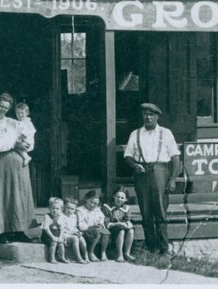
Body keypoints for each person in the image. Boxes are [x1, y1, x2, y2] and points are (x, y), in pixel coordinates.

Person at [122, 102, 181, 255]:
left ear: (157, 117)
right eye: (145, 114)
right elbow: (128, 156)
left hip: (160, 172)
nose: (148, 117)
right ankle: (151, 247)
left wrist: (173, 179)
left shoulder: (166, 133)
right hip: (142, 173)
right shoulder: (135, 134)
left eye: (151, 114)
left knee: (160, 211)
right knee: (146, 211)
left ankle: (164, 247)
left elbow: (175, 158)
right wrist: (135, 166)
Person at [0, 92, 35, 242]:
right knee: (2, 195)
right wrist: (13, 143)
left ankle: (19, 230)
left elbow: (27, 137)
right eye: (1, 106)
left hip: (19, 164)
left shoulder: (13, 122)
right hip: (1, 164)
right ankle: (0, 232)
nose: (3, 110)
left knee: (19, 196)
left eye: (6, 107)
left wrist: (24, 144)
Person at [103, 185, 135, 262]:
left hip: (121, 228)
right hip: (110, 229)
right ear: (113, 196)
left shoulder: (126, 208)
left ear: (126, 199)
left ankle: (127, 253)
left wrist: (126, 224)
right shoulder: (107, 207)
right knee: (121, 230)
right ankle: (119, 254)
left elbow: (127, 220)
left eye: (122, 198)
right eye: (117, 197)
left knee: (131, 230)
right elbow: (106, 223)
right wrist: (117, 224)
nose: (119, 199)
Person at [77, 189, 110, 261]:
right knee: (97, 231)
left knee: (106, 232)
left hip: (96, 230)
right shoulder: (80, 210)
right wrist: (91, 226)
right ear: (86, 199)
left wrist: (100, 224)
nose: (92, 205)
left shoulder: (97, 210)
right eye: (91, 202)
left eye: (95, 204)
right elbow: (81, 225)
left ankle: (103, 252)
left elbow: (101, 219)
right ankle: (91, 252)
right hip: (85, 232)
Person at [40, 197, 68, 263]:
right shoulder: (47, 216)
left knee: (61, 243)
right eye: (53, 208)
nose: (55, 210)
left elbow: (62, 228)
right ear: (49, 208)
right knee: (54, 243)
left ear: (61, 209)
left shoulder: (61, 217)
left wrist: (60, 237)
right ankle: (52, 258)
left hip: (57, 235)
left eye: (57, 208)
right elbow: (46, 228)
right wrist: (52, 237)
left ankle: (62, 257)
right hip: (47, 236)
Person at [62, 196, 88, 263]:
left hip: (71, 233)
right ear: (64, 207)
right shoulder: (61, 216)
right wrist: (72, 233)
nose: (70, 210)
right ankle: (78, 258)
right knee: (75, 238)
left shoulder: (74, 216)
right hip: (64, 235)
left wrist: (77, 232)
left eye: (72, 209)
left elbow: (74, 227)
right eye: (68, 208)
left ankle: (86, 256)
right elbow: (62, 229)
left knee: (81, 238)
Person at [13, 101, 36, 167]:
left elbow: (24, 133)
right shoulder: (19, 122)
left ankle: (26, 157)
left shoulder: (27, 122)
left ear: (27, 113)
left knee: (16, 146)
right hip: (23, 140)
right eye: (18, 113)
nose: (20, 115)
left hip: (26, 141)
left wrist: (18, 139)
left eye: (22, 113)